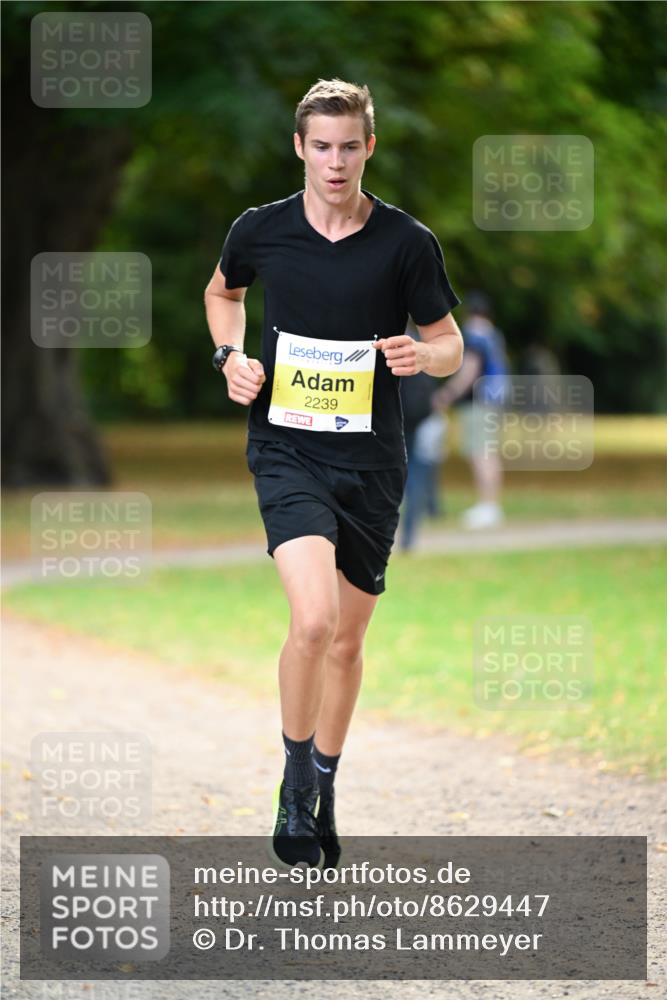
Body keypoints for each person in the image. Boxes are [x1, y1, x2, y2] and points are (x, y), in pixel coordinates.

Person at [204, 78, 462, 869]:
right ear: (299, 148)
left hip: (371, 462)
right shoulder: (261, 229)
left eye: (349, 145)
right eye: (321, 145)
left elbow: (447, 340)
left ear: (368, 148)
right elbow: (223, 294)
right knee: (311, 622)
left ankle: (323, 781)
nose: (335, 160)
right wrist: (229, 357)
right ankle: (291, 789)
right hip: (285, 450)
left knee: (346, 645)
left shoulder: (405, 242)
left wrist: (426, 356)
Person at [434, 291, 508, 529]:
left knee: (481, 452)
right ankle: (490, 504)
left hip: (479, 402)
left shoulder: (474, 334)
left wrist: (447, 394)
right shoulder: (493, 334)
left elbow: (469, 371)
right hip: (494, 400)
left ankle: (488, 507)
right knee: (489, 451)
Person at [399, 321, 448, 550]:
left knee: (402, 479)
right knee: (417, 477)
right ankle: (409, 536)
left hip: (396, 424)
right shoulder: (419, 346)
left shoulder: (386, 344)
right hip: (421, 420)